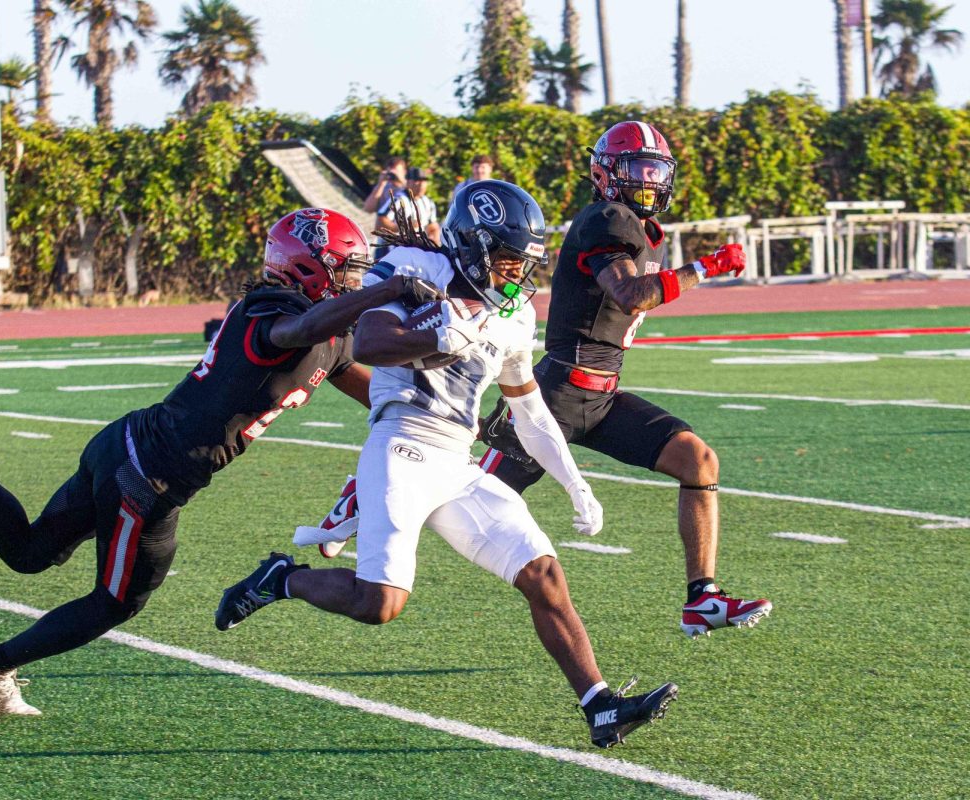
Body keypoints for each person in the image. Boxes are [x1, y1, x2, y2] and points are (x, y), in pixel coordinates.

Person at [0, 208, 439, 720]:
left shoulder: (333, 333)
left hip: (128, 445)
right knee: (114, 603)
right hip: (147, 477)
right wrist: (382, 293)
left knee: (27, 553)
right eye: (347, 270)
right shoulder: (272, 308)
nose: (355, 281)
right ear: (305, 267)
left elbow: (380, 396)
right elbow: (297, 332)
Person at [216, 182, 678, 749]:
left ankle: (600, 705)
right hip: (401, 445)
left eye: (526, 261)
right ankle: (282, 580)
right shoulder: (415, 268)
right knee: (379, 603)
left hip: (457, 462)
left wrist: (574, 483)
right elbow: (369, 344)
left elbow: (528, 409)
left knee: (543, 573)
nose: (516, 273)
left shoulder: (512, 314)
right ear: (473, 244)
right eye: (508, 258)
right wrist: (438, 331)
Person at [476, 120, 772, 639]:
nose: (650, 181)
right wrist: (705, 267)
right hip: (556, 398)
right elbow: (630, 294)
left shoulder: (634, 224)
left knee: (697, 459)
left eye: (656, 171)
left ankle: (702, 598)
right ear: (606, 173)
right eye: (638, 170)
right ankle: (360, 502)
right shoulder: (607, 218)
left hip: (604, 397)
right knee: (462, 490)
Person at [389, 167, 440, 245]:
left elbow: (433, 227)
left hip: (419, 247)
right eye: (417, 180)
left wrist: (434, 242)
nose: (421, 184)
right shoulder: (398, 199)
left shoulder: (428, 202)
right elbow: (380, 223)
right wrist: (405, 228)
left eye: (423, 181)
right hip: (396, 247)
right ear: (408, 182)